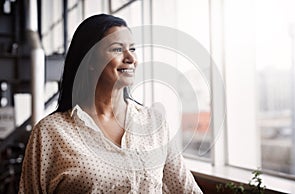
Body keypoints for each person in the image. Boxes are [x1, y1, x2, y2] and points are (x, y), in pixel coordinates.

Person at [18, 14, 203, 194]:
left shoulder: (154, 124)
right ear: (89, 61)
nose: (131, 58)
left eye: (133, 49)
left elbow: (186, 189)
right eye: (117, 49)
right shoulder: (51, 132)